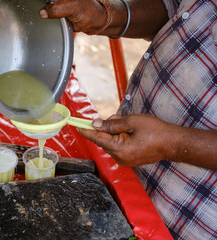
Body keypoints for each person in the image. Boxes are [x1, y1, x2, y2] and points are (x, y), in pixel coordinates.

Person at [40, 0, 217, 239]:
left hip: (186, 221)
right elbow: (180, 10)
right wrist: (106, 16)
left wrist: (172, 144)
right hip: (127, 180)